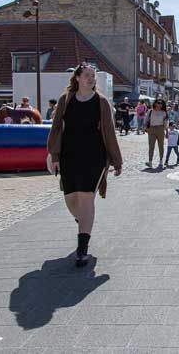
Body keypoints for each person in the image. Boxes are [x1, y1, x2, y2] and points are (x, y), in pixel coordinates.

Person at [47, 62, 122, 267]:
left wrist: (116, 159)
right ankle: (84, 222)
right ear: (78, 78)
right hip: (69, 155)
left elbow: (109, 132)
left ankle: (82, 248)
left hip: (94, 156)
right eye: (87, 75)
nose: (91, 78)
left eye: (93, 76)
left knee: (87, 197)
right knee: (71, 199)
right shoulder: (66, 99)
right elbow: (56, 129)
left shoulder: (101, 102)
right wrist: (54, 155)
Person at [145, 99, 169, 169]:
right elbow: (146, 120)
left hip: (160, 129)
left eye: (161, 103)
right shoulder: (150, 111)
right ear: (155, 104)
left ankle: (161, 161)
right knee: (151, 146)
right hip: (151, 129)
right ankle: (150, 161)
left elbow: (166, 122)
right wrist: (146, 128)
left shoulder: (164, 112)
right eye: (158, 103)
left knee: (161, 146)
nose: (160, 104)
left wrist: (166, 131)